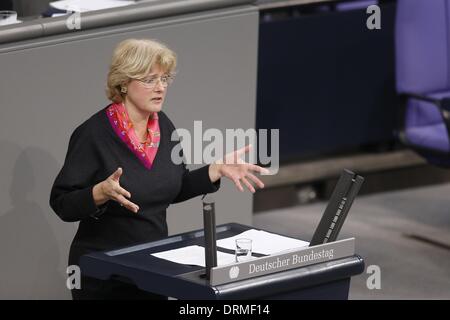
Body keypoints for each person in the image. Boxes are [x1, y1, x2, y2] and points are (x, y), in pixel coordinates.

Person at [49, 38, 268, 300]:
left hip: (152, 266)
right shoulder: (93, 134)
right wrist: (99, 192)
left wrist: (216, 169)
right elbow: (61, 203)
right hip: (105, 272)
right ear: (124, 83)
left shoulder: (163, 125)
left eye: (164, 79)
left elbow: (172, 186)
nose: (160, 88)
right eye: (150, 79)